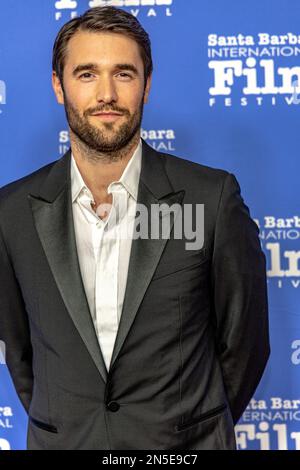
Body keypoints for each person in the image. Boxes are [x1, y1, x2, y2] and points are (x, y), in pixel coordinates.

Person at [0, 6, 270, 450]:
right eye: (86, 74)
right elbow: (20, 351)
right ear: (58, 85)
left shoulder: (210, 198)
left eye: (123, 74)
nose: (106, 93)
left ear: (146, 85)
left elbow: (246, 345)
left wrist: (191, 428)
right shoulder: (12, 213)